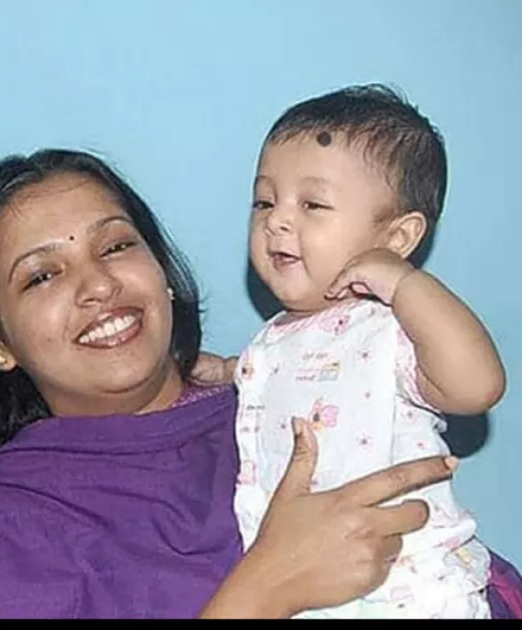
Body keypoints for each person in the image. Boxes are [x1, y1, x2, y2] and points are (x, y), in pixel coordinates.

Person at [0, 148, 520, 619]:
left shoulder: (287, 392)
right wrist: (266, 588)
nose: (99, 285)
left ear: (161, 271)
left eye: (116, 245)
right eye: (42, 276)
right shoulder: (11, 518)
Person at [230, 84, 506, 618]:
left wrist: (404, 284)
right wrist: (216, 370)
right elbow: (266, 384)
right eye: (264, 201)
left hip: (410, 591)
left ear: (398, 238)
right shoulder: (269, 341)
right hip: (301, 587)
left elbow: (478, 387)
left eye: (312, 204)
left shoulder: (388, 329)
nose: (277, 220)